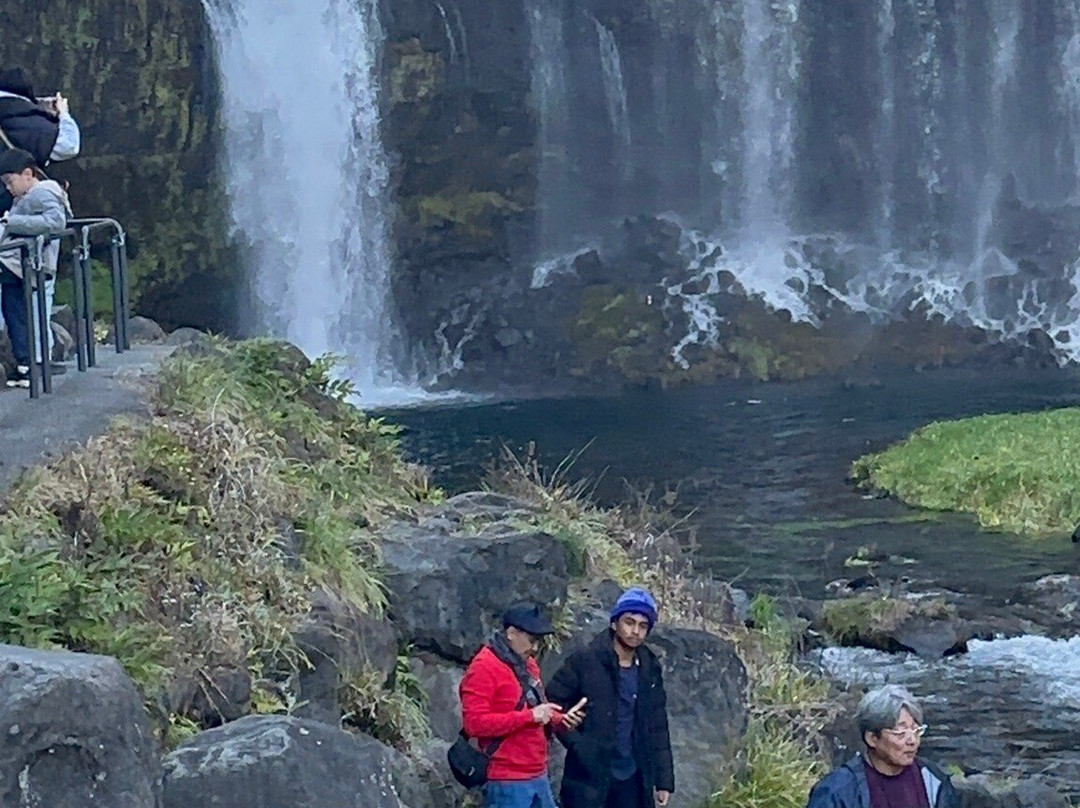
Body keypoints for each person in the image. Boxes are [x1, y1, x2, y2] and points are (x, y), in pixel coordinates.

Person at [547, 587, 674, 808]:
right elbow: (552, 703)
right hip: (588, 776)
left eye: (643, 626)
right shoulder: (586, 660)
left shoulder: (649, 667)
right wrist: (578, 743)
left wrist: (663, 780)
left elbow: (658, 726)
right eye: (629, 622)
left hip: (633, 776)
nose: (635, 631)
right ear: (614, 623)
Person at [459, 603, 584, 808]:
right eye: (532, 640)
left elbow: (537, 707)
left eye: (538, 641)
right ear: (511, 633)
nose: (535, 648)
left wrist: (561, 719)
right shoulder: (483, 667)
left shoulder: (527, 664)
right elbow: (474, 724)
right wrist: (530, 717)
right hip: (506, 779)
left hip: (538, 773)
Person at [806, 684, 960, 808]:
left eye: (916, 730)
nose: (912, 740)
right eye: (900, 733)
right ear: (872, 738)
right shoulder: (836, 791)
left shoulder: (932, 778)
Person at [0, 148, 70, 387]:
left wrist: (13, 222)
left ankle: (31, 365)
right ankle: (27, 365)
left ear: (28, 174)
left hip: (27, 265)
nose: (8, 188)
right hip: (19, 264)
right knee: (17, 313)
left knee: (21, 313)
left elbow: (56, 222)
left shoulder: (42, 193)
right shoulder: (26, 196)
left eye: (10, 182)